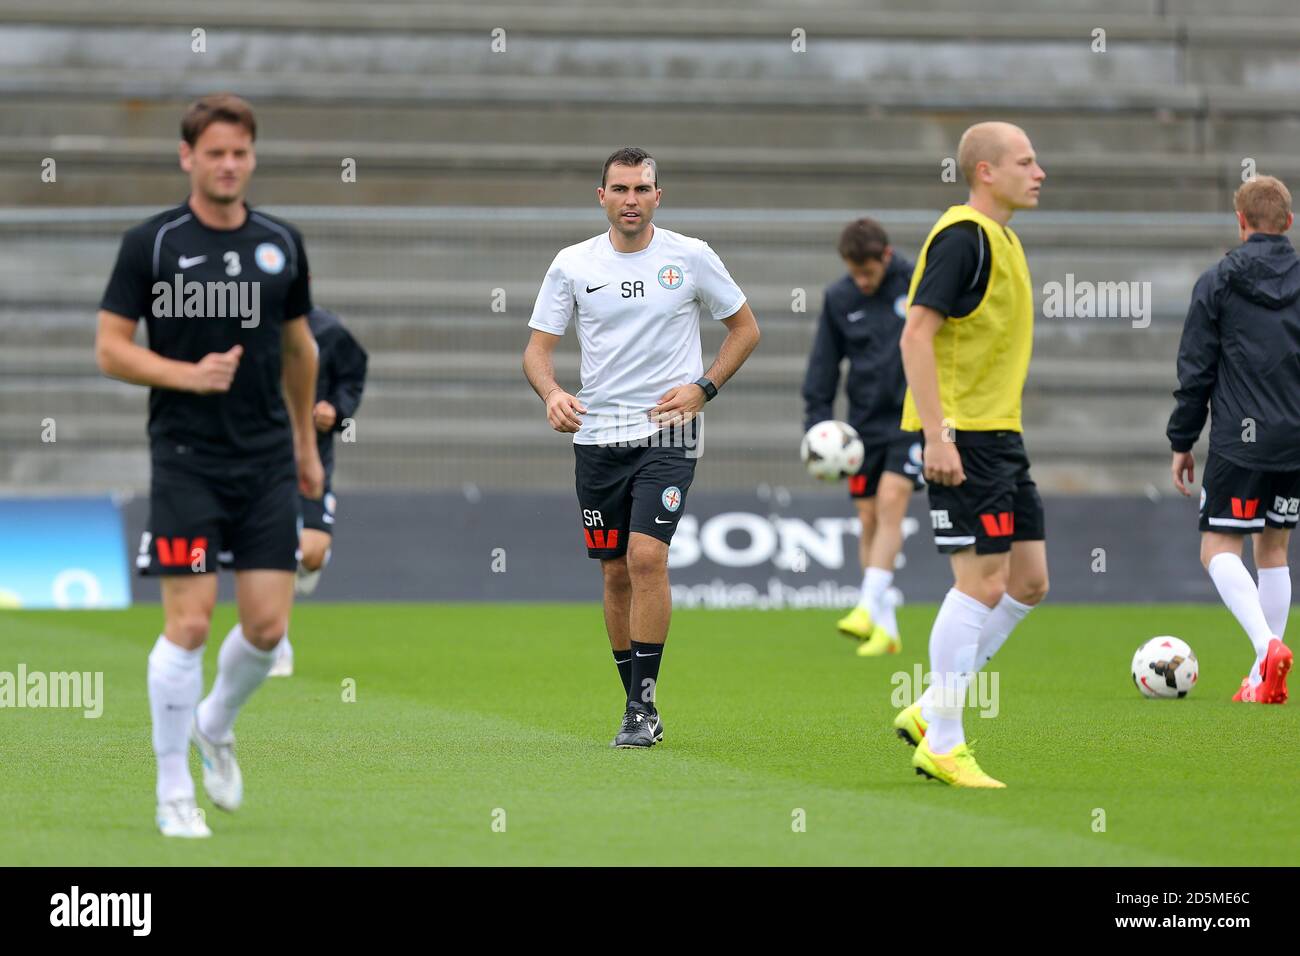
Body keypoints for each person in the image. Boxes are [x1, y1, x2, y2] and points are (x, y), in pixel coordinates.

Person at [94, 93, 322, 836]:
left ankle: (213, 724)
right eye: (215, 152)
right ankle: (172, 792)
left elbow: (300, 349)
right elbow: (111, 349)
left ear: (252, 157)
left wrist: (306, 445)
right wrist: (187, 376)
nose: (228, 165)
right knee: (189, 624)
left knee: (267, 629)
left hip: (266, 461)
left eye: (240, 152)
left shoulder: (281, 243)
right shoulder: (152, 244)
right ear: (187, 157)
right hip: (186, 460)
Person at [522, 147, 760, 748]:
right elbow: (537, 351)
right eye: (621, 189)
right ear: (601, 196)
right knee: (614, 572)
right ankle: (635, 703)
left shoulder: (691, 256)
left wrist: (704, 387)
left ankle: (641, 706)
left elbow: (745, 329)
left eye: (642, 189)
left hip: (668, 431)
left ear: (658, 196)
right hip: (597, 436)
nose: (632, 200)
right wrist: (552, 394)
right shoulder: (572, 264)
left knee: (646, 557)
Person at [893, 122, 1049, 788]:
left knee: (1028, 582)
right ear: (986, 171)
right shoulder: (963, 238)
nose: (1039, 172)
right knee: (980, 583)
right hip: (964, 437)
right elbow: (915, 336)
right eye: (1026, 161)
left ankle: (933, 707)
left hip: (1000, 434)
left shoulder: (1004, 238)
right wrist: (937, 435)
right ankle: (945, 742)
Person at [1169, 175, 1297, 704]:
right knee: (1274, 548)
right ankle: (1260, 675)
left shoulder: (1218, 281)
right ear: (1288, 222)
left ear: (1241, 222)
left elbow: (1196, 369)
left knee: (1218, 547)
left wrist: (1182, 439)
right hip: (1293, 440)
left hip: (1240, 441)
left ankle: (1266, 648)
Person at [802, 217, 922, 656]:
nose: (862, 281)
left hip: (913, 418)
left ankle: (866, 606)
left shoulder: (918, 283)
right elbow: (823, 367)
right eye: (854, 273)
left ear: (886, 256)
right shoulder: (840, 297)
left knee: (891, 500)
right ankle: (886, 629)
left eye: (867, 272)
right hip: (863, 426)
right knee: (869, 518)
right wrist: (817, 428)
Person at [270, 305, 368, 677]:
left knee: (311, 553)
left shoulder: (328, 331)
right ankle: (277, 645)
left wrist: (337, 410)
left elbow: (353, 374)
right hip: (262, 459)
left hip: (311, 457)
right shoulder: (251, 323)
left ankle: (306, 563)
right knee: (278, 550)